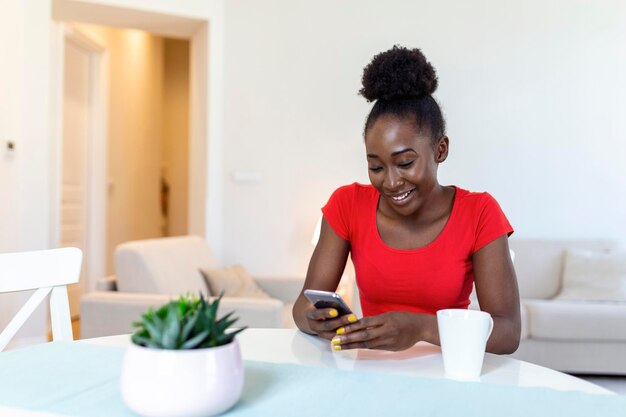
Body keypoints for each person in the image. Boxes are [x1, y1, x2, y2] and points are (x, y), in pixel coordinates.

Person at [292, 45, 521, 354]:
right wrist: (314, 318)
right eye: (375, 166)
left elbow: (507, 331)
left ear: (440, 150)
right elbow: (302, 306)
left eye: (404, 163)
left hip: (448, 371)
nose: (390, 181)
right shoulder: (347, 205)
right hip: (370, 373)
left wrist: (421, 328)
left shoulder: (480, 213)